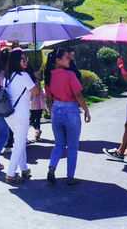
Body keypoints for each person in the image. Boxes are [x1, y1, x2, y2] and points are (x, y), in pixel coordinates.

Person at [44, 47, 91, 185]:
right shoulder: (70, 75)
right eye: (65, 57)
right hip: (70, 110)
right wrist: (86, 110)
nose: (69, 59)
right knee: (72, 146)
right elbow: (78, 95)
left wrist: (53, 111)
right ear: (58, 60)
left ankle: (52, 167)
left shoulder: (49, 76)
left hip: (56, 110)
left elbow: (49, 98)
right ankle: (70, 177)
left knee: (59, 144)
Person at [3, 48, 40, 183]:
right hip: (21, 114)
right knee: (19, 143)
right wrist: (36, 78)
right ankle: (10, 173)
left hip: (8, 114)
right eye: (22, 59)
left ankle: (24, 169)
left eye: (26, 58)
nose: (25, 61)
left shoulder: (6, 77)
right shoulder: (23, 76)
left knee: (20, 140)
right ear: (15, 61)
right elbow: (35, 91)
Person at [29, 62, 46, 141]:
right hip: (39, 103)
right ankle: (37, 131)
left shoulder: (32, 81)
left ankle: (37, 131)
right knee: (37, 119)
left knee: (32, 119)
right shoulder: (38, 81)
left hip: (33, 104)